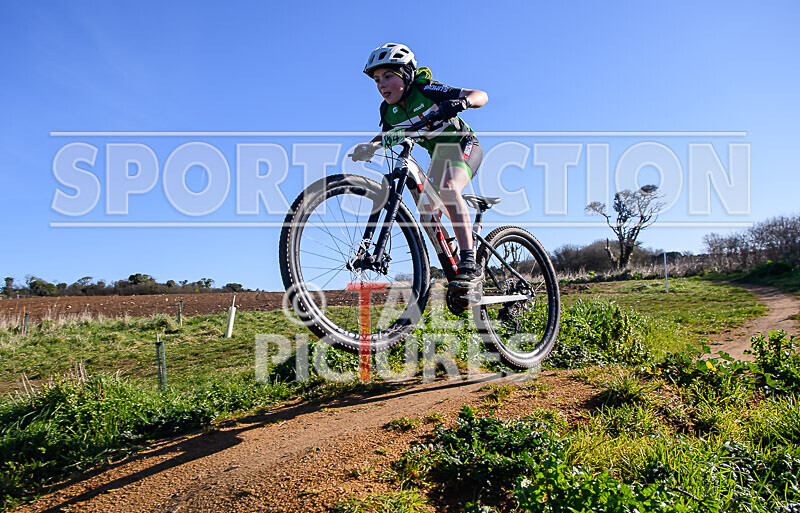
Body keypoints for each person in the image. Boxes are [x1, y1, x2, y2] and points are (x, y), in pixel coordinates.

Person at [353, 42, 489, 293]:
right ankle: (454, 257)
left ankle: (470, 262)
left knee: (448, 189)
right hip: (439, 156)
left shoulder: (425, 89)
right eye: (376, 80)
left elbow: (481, 95)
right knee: (427, 213)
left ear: (406, 75)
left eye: (388, 76)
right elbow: (385, 135)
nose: (381, 84)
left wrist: (462, 103)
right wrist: (369, 146)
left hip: (463, 145)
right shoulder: (389, 111)